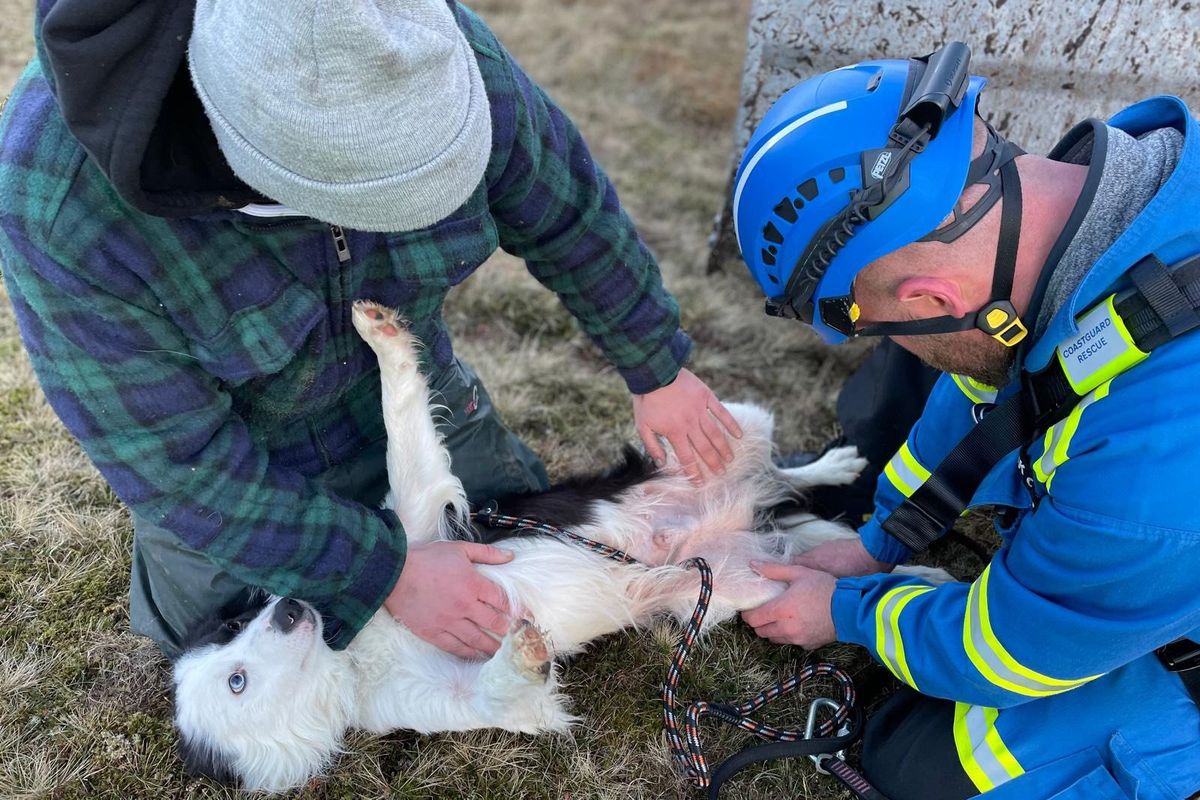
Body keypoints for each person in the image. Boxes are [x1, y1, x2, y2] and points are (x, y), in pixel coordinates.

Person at [0, 0, 741, 662]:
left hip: (415, 398)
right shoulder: (62, 201)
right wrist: (384, 574)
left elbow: (565, 208)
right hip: (241, 467)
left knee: (524, 564)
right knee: (261, 659)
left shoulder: (423, 42)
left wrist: (656, 365)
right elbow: (175, 463)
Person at [733, 43, 1200, 799]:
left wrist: (845, 613)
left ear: (930, 296)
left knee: (920, 760)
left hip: (1160, 551)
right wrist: (880, 542)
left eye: (879, 328)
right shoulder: (1110, 219)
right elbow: (999, 387)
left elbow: (1010, 652)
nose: (896, 347)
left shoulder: (1153, 462)